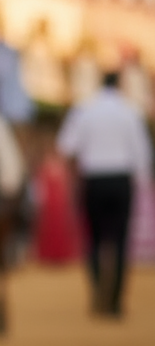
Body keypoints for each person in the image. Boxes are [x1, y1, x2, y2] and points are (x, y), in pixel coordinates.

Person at [58, 69, 153, 317]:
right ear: (120, 84)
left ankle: (98, 293)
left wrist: (72, 182)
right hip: (121, 180)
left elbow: (67, 148)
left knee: (94, 240)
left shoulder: (85, 110)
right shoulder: (130, 112)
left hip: (93, 181)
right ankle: (116, 301)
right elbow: (142, 156)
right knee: (120, 241)